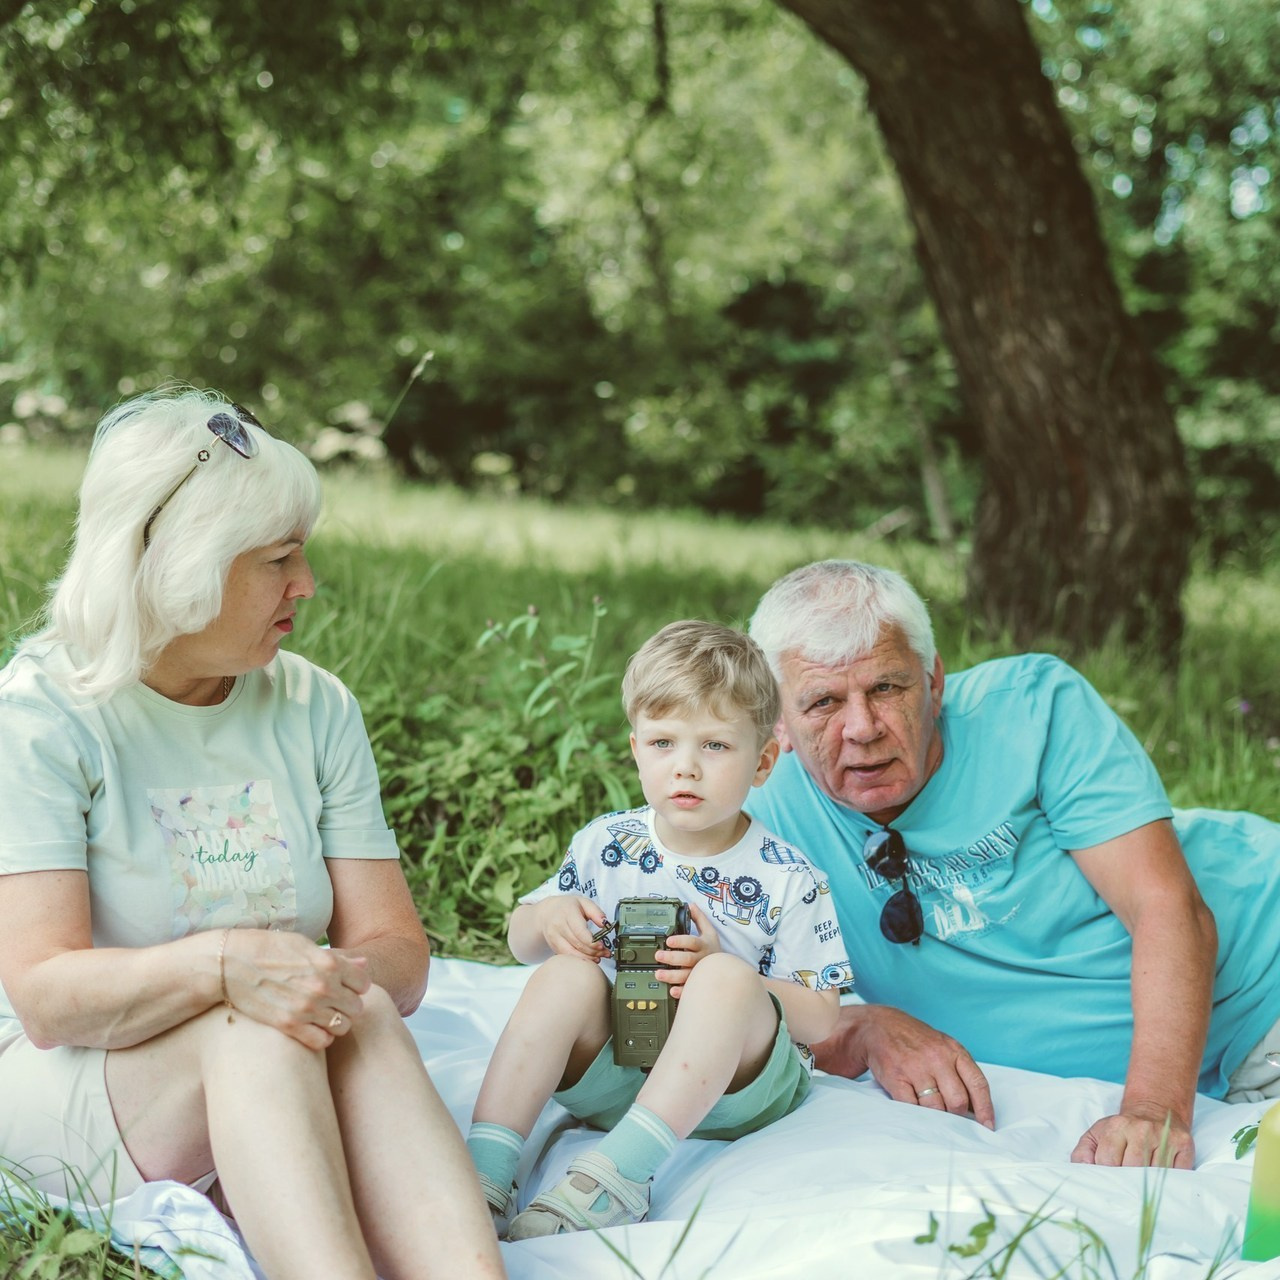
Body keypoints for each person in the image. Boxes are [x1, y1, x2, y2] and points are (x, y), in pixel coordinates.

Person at [0, 387, 505, 1280]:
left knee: (360, 1009)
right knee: (257, 1022)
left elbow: (397, 950)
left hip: (268, 1046)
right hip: (69, 1078)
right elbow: (46, 997)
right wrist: (234, 965)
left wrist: (319, 979)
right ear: (178, 564)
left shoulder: (312, 704)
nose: (305, 585)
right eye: (277, 560)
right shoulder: (43, 715)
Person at [746, 558, 1280, 1171]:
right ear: (777, 720)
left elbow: (1167, 907)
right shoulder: (756, 810)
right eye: (823, 702)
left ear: (934, 681)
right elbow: (716, 994)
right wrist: (861, 1024)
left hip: (1264, 984)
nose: (862, 727)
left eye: (888, 688)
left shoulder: (1031, 709)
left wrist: (1153, 1110)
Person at [466, 620, 851, 1238]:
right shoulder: (606, 843)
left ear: (764, 761)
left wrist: (732, 972)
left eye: (716, 746)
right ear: (635, 749)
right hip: (616, 1075)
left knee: (723, 976)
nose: (686, 769)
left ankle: (618, 1176)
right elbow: (518, 942)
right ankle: (486, 1169)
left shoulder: (788, 876)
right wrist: (547, 919)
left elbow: (824, 1019)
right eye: (664, 743)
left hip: (735, 1092)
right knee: (565, 974)